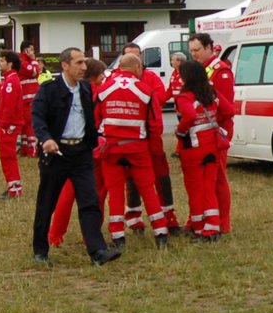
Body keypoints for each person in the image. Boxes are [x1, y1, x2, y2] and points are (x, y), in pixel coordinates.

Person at [31, 47, 120, 266]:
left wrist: (93, 141)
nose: (84, 67)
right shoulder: (49, 89)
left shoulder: (86, 89)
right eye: (79, 63)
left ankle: (97, 251)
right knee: (47, 202)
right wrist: (46, 139)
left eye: (84, 63)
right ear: (65, 65)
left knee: (89, 201)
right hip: (57, 153)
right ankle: (40, 250)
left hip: (81, 153)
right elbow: (38, 117)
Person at [95, 53, 170, 249]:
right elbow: (155, 125)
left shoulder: (104, 89)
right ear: (137, 68)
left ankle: (118, 236)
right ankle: (161, 232)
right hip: (138, 148)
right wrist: (153, 150)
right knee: (148, 190)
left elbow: (95, 121)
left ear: (120, 67)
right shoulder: (145, 90)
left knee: (116, 191)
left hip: (111, 148)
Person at [48, 58, 109, 247]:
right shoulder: (99, 92)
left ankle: (55, 234)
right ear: (96, 76)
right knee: (96, 194)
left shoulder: (72, 92)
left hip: (73, 148)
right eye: (101, 75)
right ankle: (91, 234)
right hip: (95, 149)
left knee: (67, 194)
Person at [174, 58, 234, 239]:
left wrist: (180, 130)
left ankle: (200, 227)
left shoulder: (185, 96)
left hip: (193, 147)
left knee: (194, 188)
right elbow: (229, 110)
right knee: (209, 187)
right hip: (212, 147)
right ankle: (212, 227)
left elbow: (190, 115)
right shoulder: (211, 92)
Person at [190, 33, 236, 233]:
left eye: (197, 50)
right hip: (201, 134)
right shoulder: (200, 70)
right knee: (200, 180)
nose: (194, 54)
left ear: (209, 48)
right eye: (191, 51)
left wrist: (222, 134)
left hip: (216, 134)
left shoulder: (221, 71)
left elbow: (225, 108)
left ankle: (223, 222)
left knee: (218, 178)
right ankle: (200, 219)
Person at [0, 50, 27, 199]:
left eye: (2, 61)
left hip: (9, 126)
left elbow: (9, 107)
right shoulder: (9, 80)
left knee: (8, 156)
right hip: (9, 125)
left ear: (10, 64)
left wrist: (3, 125)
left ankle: (14, 189)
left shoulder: (11, 82)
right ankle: (13, 187)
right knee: (7, 156)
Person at [18, 41, 44, 157]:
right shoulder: (22, 62)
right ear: (26, 50)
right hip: (27, 99)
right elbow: (35, 72)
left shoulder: (24, 61)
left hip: (27, 99)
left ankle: (25, 148)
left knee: (26, 125)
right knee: (30, 125)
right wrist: (33, 59)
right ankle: (32, 149)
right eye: (32, 50)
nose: (33, 52)